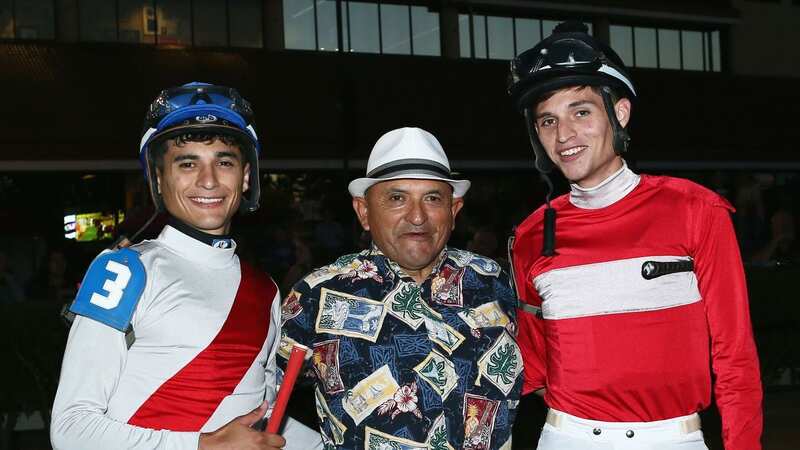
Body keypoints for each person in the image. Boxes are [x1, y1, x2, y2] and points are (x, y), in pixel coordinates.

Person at [507, 22, 762, 450]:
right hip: (565, 437)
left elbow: (735, 356)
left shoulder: (696, 210)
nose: (564, 135)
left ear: (619, 113)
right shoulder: (530, 234)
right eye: (547, 120)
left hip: (674, 438)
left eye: (581, 112)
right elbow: (533, 362)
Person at [51, 82, 321, 450]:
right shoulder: (123, 269)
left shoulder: (265, 288)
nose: (208, 180)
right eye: (187, 163)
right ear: (159, 179)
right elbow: (71, 430)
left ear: (245, 177)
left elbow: (261, 421)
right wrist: (203, 445)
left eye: (224, 162)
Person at [278, 127, 522, 449]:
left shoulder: (495, 282)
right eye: (397, 198)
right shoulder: (317, 296)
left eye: (433, 198)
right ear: (364, 212)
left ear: (454, 211)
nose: (417, 216)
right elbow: (259, 399)